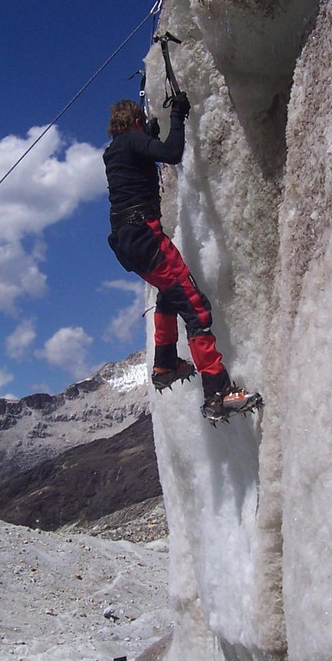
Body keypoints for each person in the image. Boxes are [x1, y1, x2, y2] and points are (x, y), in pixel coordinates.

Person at [103, 94, 260, 422]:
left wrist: (149, 138)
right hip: (145, 235)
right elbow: (172, 153)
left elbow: (144, 161)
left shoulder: (115, 152)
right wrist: (177, 116)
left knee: (170, 295)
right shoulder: (132, 142)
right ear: (134, 122)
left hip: (127, 242)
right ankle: (217, 393)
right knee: (195, 307)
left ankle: (165, 363)